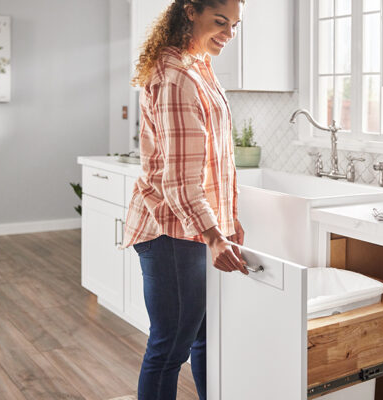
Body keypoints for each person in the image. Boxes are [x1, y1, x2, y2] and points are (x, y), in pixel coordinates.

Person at [121, 0, 246, 399]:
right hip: (171, 233)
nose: (228, 34)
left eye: (234, 25)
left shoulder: (198, 65)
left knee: (207, 338)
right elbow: (179, 180)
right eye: (220, 22)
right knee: (170, 347)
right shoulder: (177, 76)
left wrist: (227, 224)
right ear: (190, 11)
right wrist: (213, 235)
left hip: (193, 229)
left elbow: (216, 161)